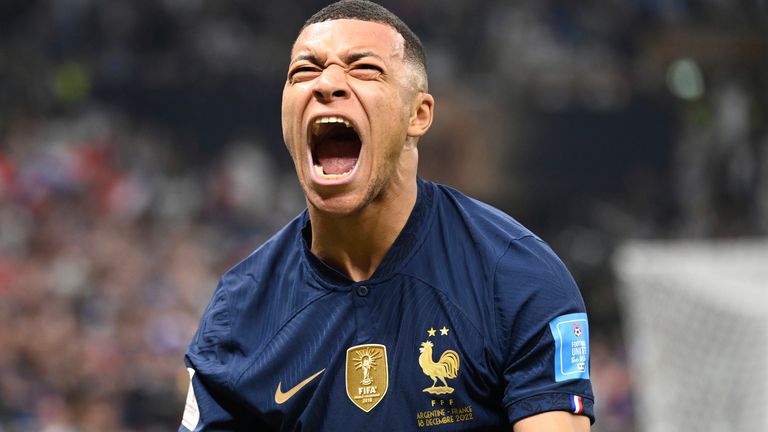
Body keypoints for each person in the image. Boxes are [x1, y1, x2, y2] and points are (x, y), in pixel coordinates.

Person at [179, 1, 594, 431]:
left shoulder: (516, 276)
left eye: (363, 69)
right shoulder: (239, 308)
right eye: (305, 71)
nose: (328, 84)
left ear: (418, 115)